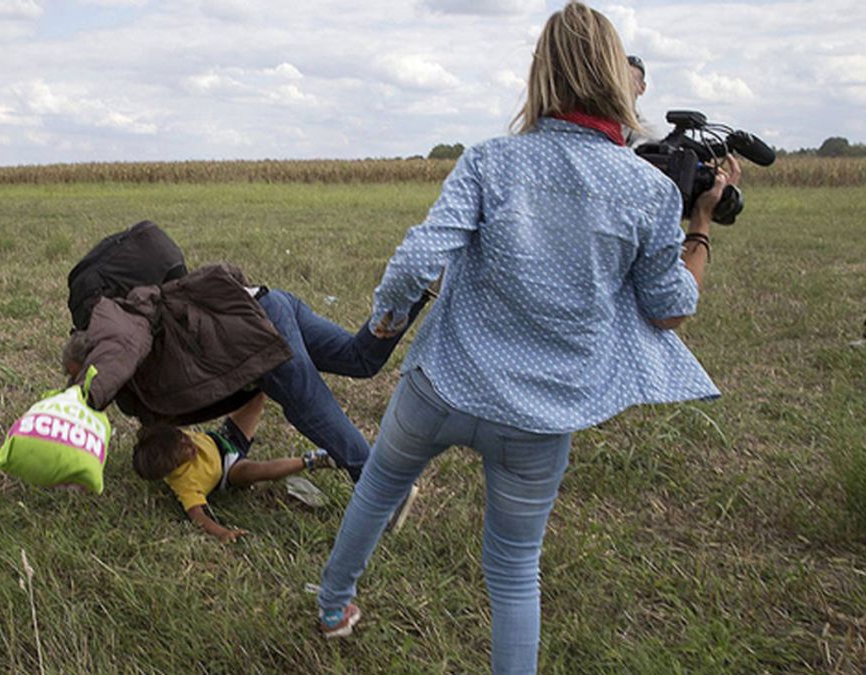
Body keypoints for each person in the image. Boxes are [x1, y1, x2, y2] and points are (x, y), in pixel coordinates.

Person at [314, 2, 740, 672]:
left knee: (379, 489)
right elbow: (669, 310)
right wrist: (701, 226)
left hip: (440, 385)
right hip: (540, 417)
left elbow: (415, 262)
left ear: (541, 73)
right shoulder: (651, 192)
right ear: (615, 76)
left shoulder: (490, 162)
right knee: (513, 570)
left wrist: (385, 324)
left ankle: (333, 604)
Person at [66, 263, 430, 484]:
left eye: (76, 373)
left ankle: (380, 486)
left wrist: (80, 399)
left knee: (307, 403)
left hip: (253, 332)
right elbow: (159, 427)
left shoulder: (122, 340)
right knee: (358, 359)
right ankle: (411, 291)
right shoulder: (140, 374)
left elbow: (117, 359)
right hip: (265, 303)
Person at [132, 392, 337, 542]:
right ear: (173, 467)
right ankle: (311, 461)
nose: (189, 444)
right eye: (184, 451)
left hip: (225, 439)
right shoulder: (185, 483)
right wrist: (222, 533)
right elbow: (198, 517)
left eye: (184, 438)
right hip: (230, 470)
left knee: (255, 396)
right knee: (254, 472)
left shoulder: (168, 439)